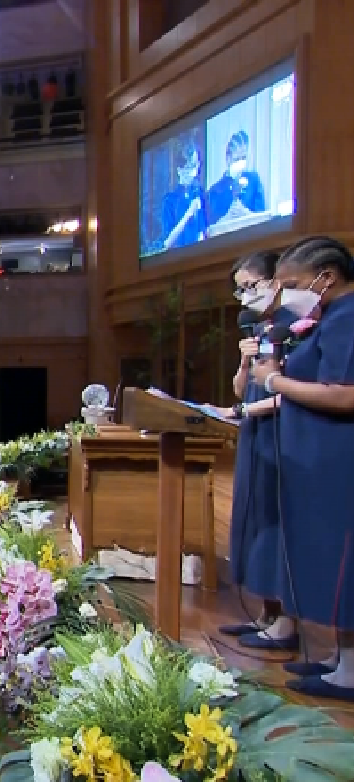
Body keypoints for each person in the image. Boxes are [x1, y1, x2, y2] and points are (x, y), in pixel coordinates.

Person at [250, 236, 354, 699]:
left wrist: (274, 381)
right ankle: (340, 658)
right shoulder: (330, 318)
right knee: (331, 562)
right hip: (317, 461)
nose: (287, 293)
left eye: (292, 284)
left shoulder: (348, 318)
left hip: (338, 460)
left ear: (326, 277)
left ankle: (350, 668)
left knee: (344, 563)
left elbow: (345, 393)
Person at [208, 252, 293, 645]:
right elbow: (241, 389)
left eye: (251, 286)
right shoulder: (260, 329)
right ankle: (266, 613)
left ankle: (287, 622)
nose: (244, 297)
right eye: (239, 289)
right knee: (255, 521)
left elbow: (287, 393)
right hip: (254, 436)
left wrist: (240, 409)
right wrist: (244, 364)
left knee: (279, 525)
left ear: (276, 281)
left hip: (283, 436)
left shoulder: (293, 329)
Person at [206, 130, 266, 228]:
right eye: (237, 159)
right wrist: (227, 218)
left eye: (244, 158)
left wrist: (245, 214)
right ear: (228, 159)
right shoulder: (214, 191)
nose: (241, 163)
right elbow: (210, 230)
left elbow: (263, 219)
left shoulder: (254, 181)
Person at [160, 139, 206, 250]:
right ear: (179, 170)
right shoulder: (169, 201)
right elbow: (167, 243)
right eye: (191, 166)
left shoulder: (198, 193)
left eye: (196, 165)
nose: (195, 171)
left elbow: (202, 230)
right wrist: (188, 214)